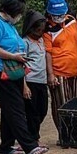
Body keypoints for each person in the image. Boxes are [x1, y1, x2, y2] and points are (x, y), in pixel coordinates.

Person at [0, 0, 49, 154]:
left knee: (9, 108)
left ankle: (6, 146)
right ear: (12, 12)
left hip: (13, 70)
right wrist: (13, 56)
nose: (20, 16)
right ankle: (29, 145)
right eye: (19, 13)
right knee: (16, 109)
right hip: (0, 70)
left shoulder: (8, 25)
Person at [44, 0, 77, 138]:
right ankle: (64, 134)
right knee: (61, 105)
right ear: (50, 13)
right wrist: (50, 75)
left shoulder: (72, 21)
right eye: (57, 15)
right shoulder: (47, 29)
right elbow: (47, 53)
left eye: (62, 14)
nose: (60, 17)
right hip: (58, 73)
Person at [21, 10, 49, 146]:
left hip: (42, 81)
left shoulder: (42, 40)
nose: (40, 33)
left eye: (41, 30)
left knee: (42, 110)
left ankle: (31, 135)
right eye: (37, 30)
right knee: (32, 112)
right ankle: (33, 138)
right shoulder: (24, 42)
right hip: (30, 80)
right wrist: (24, 85)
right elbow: (21, 63)